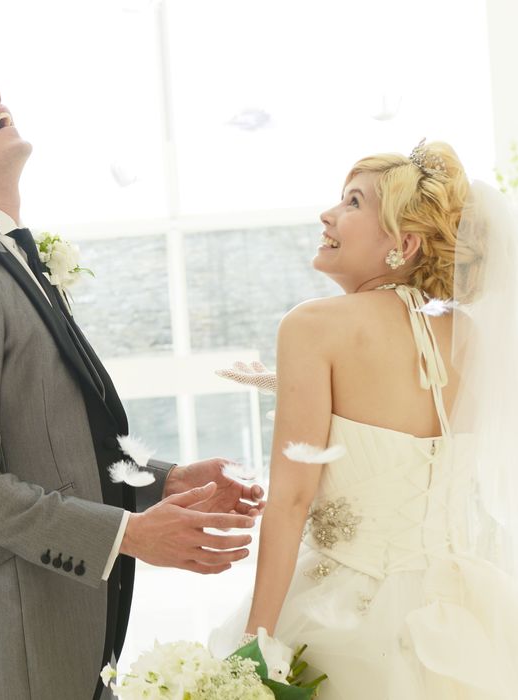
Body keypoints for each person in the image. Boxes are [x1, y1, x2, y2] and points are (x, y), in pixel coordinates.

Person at [0, 70, 264, 700]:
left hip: (71, 637)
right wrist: (128, 535)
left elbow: (54, 440)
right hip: (17, 654)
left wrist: (164, 481)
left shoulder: (6, 259)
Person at [211, 140, 518, 698]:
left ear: (403, 244)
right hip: (461, 613)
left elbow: (291, 501)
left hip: (344, 612)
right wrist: (291, 384)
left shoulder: (313, 326)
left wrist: (253, 648)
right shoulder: (473, 336)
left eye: (353, 202)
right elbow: (412, 408)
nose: (327, 215)